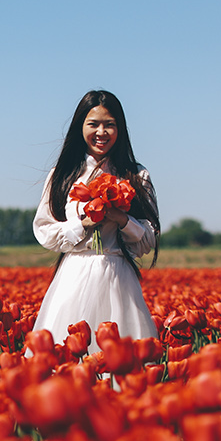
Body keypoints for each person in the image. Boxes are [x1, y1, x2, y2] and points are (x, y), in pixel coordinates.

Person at [32, 90, 159, 356]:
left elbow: (149, 239)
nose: (102, 132)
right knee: (68, 357)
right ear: (80, 127)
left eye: (110, 124)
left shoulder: (136, 175)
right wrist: (83, 223)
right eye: (93, 124)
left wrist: (122, 219)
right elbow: (44, 229)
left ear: (120, 129)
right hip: (74, 273)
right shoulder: (63, 175)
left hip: (119, 274)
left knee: (123, 362)